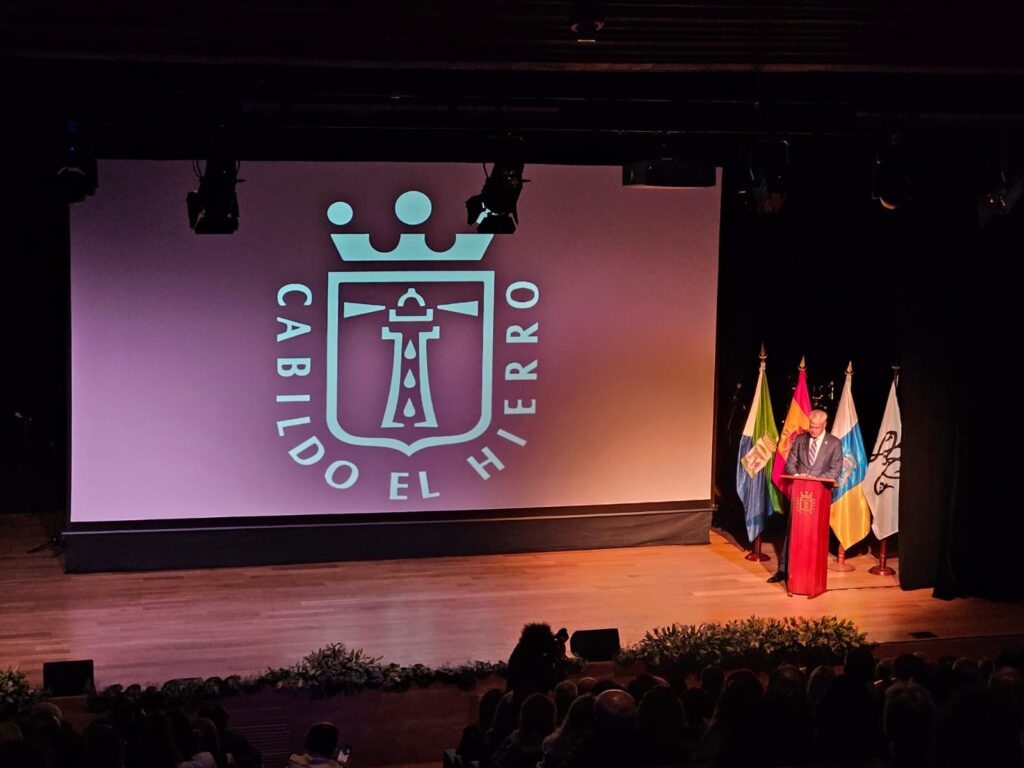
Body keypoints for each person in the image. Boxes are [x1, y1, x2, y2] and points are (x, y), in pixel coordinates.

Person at [768, 408, 843, 584]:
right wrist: (797, 476)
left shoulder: (834, 444)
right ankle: (784, 570)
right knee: (792, 530)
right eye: (811, 426)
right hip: (800, 493)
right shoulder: (801, 440)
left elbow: (835, 470)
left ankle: (810, 572)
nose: (812, 430)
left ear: (824, 425)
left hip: (820, 495)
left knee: (814, 534)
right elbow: (790, 463)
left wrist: (815, 479)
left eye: (816, 427)